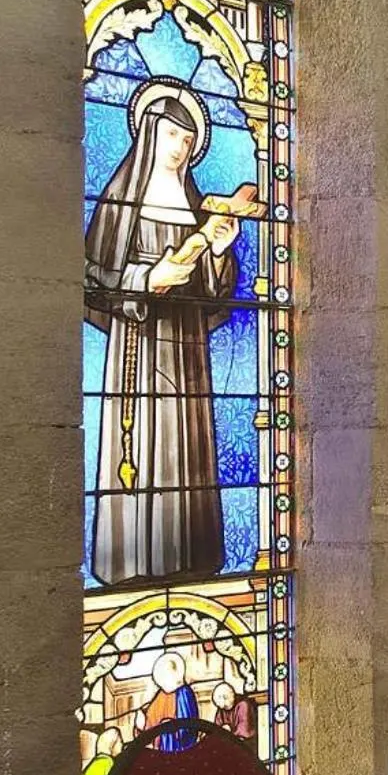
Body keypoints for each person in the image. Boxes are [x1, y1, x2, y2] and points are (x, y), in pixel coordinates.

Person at [84, 81, 245, 587]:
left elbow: (215, 295)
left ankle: (190, 557)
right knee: (142, 443)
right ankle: (131, 562)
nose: (180, 147)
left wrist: (217, 250)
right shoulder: (119, 200)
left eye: (188, 139)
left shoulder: (194, 204)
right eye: (172, 134)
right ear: (149, 134)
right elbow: (91, 277)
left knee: (186, 445)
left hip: (186, 346)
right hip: (138, 341)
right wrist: (145, 278)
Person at [143, 651, 199, 752]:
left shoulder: (184, 692)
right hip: (160, 747)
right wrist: (142, 719)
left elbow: (187, 726)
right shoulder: (161, 694)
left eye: (166, 674)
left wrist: (170, 726)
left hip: (177, 746)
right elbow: (150, 720)